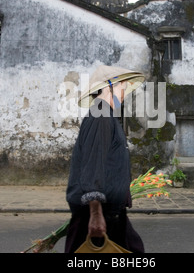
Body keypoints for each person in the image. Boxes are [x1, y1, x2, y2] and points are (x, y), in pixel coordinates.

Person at [65, 65, 146, 253]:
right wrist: (95, 213)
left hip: (112, 214)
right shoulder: (100, 114)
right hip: (101, 214)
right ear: (109, 86)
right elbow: (93, 163)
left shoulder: (105, 114)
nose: (124, 94)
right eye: (122, 88)